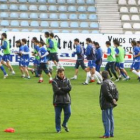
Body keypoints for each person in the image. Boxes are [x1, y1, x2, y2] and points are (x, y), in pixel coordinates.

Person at [99, 71, 119, 138]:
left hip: (106, 103)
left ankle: (107, 134)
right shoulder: (112, 82)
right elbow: (116, 91)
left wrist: (111, 100)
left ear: (102, 76)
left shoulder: (104, 83)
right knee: (111, 118)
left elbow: (106, 93)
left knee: (106, 119)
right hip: (111, 103)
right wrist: (115, 99)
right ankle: (111, 133)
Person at [52, 68, 72, 133]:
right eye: (61, 74)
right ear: (58, 73)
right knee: (57, 116)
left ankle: (64, 123)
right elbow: (56, 91)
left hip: (67, 100)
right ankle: (58, 129)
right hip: (57, 101)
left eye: (63, 74)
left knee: (69, 113)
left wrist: (61, 88)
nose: (62, 75)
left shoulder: (67, 80)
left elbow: (70, 88)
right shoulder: (54, 81)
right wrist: (65, 90)